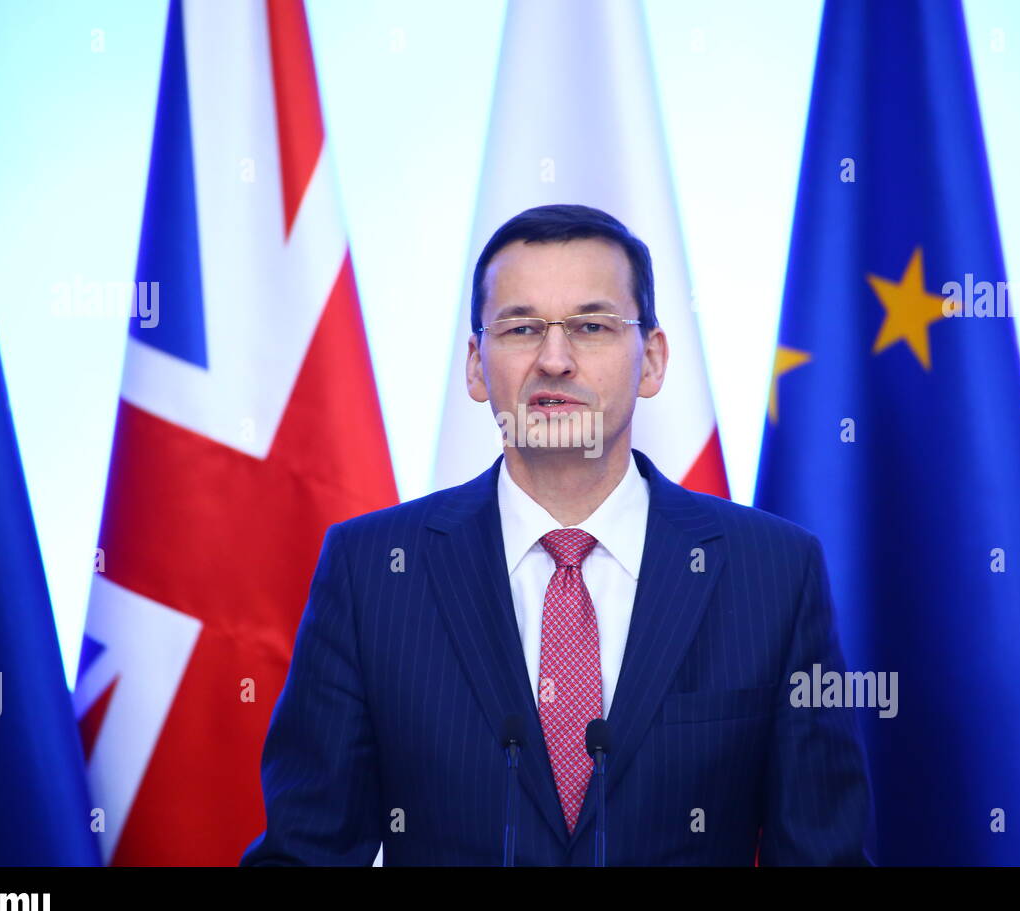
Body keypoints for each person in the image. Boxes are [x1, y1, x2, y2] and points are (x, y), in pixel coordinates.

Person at [241, 204, 871, 865]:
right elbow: (305, 852)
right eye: (521, 328)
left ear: (652, 360)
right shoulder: (371, 570)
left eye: (591, 326)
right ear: (478, 367)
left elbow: (822, 855)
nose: (555, 358)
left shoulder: (771, 572)